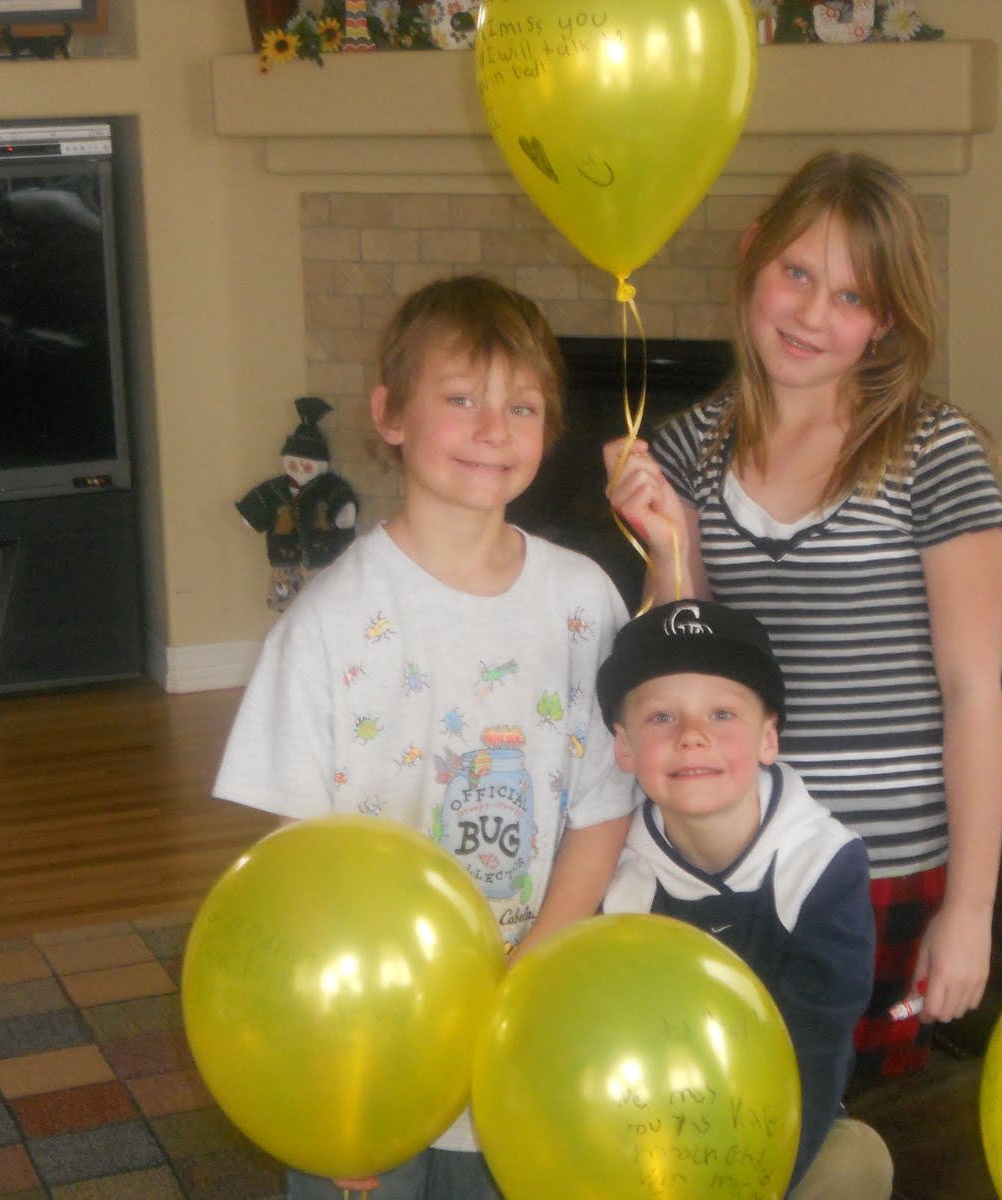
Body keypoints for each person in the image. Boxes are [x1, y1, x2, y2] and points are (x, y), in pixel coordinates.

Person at [214, 274, 637, 1199]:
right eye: (461, 399)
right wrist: (330, 1086)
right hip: (366, 1027)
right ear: (390, 415)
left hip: (527, 1009)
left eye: (521, 406)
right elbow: (298, 865)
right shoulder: (327, 624)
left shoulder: (585, 603)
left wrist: (527, 973)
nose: (494, 429)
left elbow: (604, 808)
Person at [604, 151, 1002, 1084]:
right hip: (732, 855)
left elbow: (973, 692)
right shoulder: (687, 447)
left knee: (848, 1116)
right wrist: (665, 545)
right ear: (754, 255)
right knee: (713, 1098)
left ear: (887, 321)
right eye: (796, 272)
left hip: (882, 863)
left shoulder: (935, 450)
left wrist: (972, 910)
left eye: (852, 296)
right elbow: (686, 668)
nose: (812, 315)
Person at [597, 599, 892, 1199]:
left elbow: (815, 1051)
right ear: (623, 747)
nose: (692, 736)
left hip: (784, 1117)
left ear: (768, 738)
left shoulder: (823, 867)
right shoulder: (616, 875)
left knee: (860, 1161)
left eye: (722, 713)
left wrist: (754, 1184)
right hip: (652, 1121)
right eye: (661, 717)